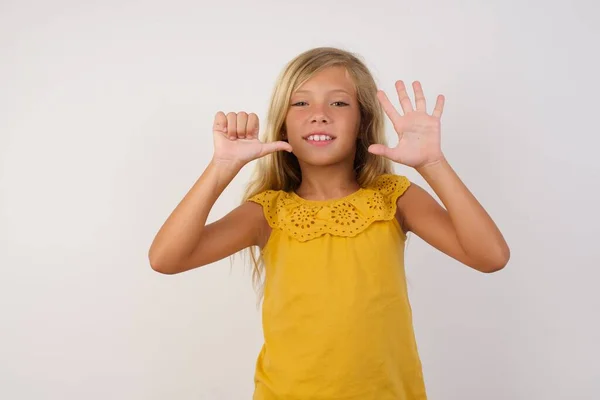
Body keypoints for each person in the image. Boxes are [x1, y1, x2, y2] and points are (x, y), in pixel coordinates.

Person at [148, 47, 510, 400]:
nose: (319, 115)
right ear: (284, 125)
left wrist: (432, 164)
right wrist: (221, 167)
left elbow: (490, 257)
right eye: (301, 102)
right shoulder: (267, 212)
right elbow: (166, 259)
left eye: (338, 103)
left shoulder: (394, 198)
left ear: (362, 122)